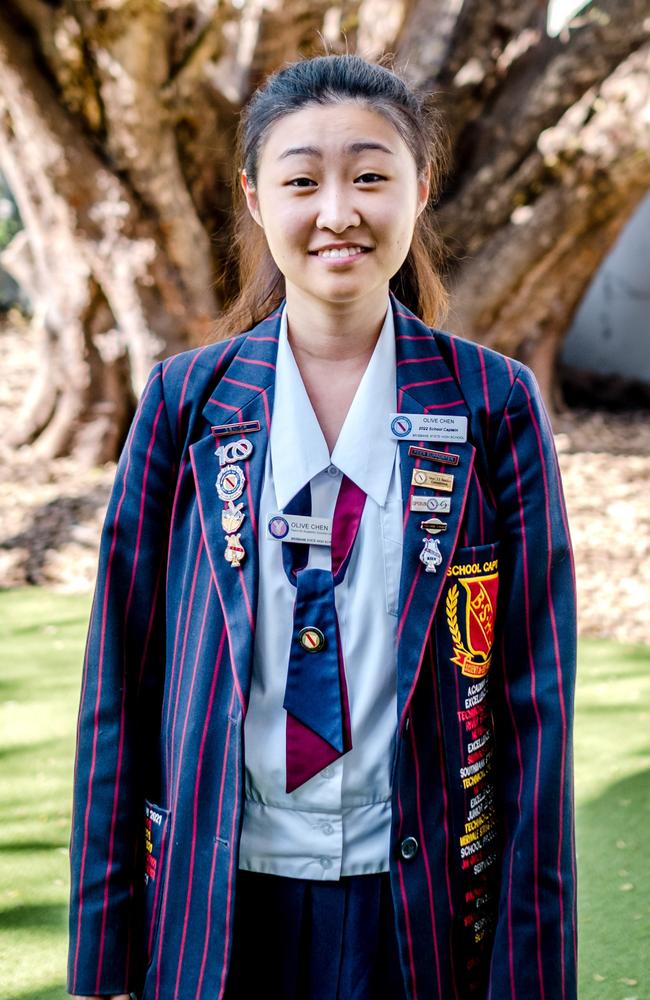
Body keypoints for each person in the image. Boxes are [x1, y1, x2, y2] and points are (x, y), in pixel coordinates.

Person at [67, 52, 577, 1000]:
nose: (337, 210)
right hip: (217, 909)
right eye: (302, 178)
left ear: (420, 191)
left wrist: (534, 972)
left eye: (371, 175)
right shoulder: (190, 403)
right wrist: (102, 957)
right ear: (256, 199)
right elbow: (120, 687)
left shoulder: (490, 404)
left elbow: (534, 708)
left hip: (417, 915)